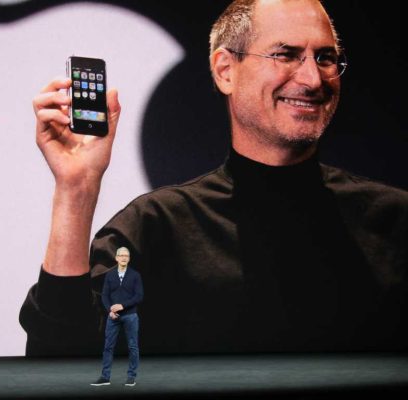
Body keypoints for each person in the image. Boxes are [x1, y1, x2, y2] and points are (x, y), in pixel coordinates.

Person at [20, 0, 408, 357]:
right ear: (225, 70)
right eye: (286, 55)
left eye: (325, 58)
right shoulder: (156, 228)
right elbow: (59, 359)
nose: (312, 78)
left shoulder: (395, 220)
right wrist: (76, 188)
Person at [90, 247, 143, 387]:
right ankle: (105, 377)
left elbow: (139, 296)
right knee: (108, 347)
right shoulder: (110, 275)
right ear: (117, 258)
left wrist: (122, 306)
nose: (124, 257)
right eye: (121, 255)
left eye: (126, 255)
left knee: (133, 347)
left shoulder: (135, 275)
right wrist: (110, 311)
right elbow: (105, 295)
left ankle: (131, 377)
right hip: (113, 317)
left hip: (130, 316)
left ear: (129, 258)